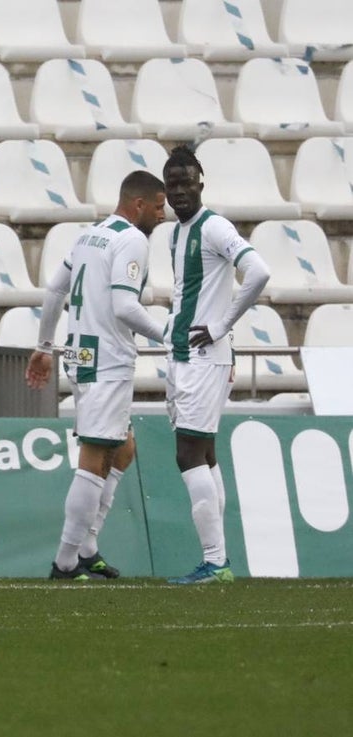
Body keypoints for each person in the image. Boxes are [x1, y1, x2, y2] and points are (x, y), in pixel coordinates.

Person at [26, 170, 168, 581]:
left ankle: (86, 547)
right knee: (93, 458)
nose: (162, 216)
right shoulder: (132, 239)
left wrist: (44, 345)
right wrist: (169, 335)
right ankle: (65, 562)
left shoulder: (92, 234)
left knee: (122, 449)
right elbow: (125, 307)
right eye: (158, 208)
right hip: (107, 360)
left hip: (83, 353)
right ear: (138, 205)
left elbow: (55, 288)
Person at [162, 144, 270, 585]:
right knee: (204, 453)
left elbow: (258, 271)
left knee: (188, 453)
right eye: (172, 184)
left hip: (203, 357)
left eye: (187, 181)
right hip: (190, 356)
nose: (179, 191)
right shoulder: (176, 233)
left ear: (201, 182)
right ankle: (218, 560)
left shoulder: (214, 227)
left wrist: (222, 325)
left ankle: (216, 560)